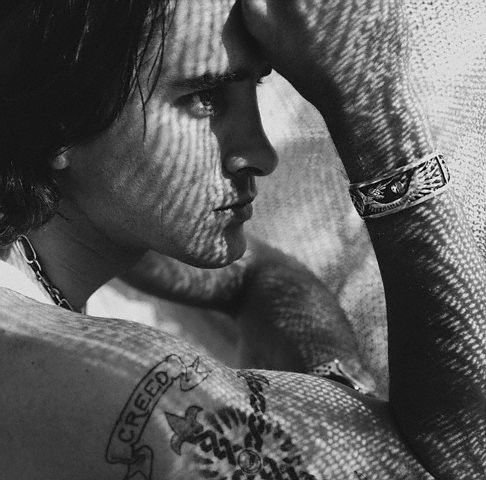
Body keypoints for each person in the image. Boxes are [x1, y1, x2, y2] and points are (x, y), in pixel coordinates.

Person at [0, 1, 484, 479]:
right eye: (206, 96)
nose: (261, 155)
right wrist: (372, 107)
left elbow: (258, 273)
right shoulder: (127, 387)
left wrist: (330, 382)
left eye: (254, 87)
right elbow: (466, 458)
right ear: (60, 119)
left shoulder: (42, 241)